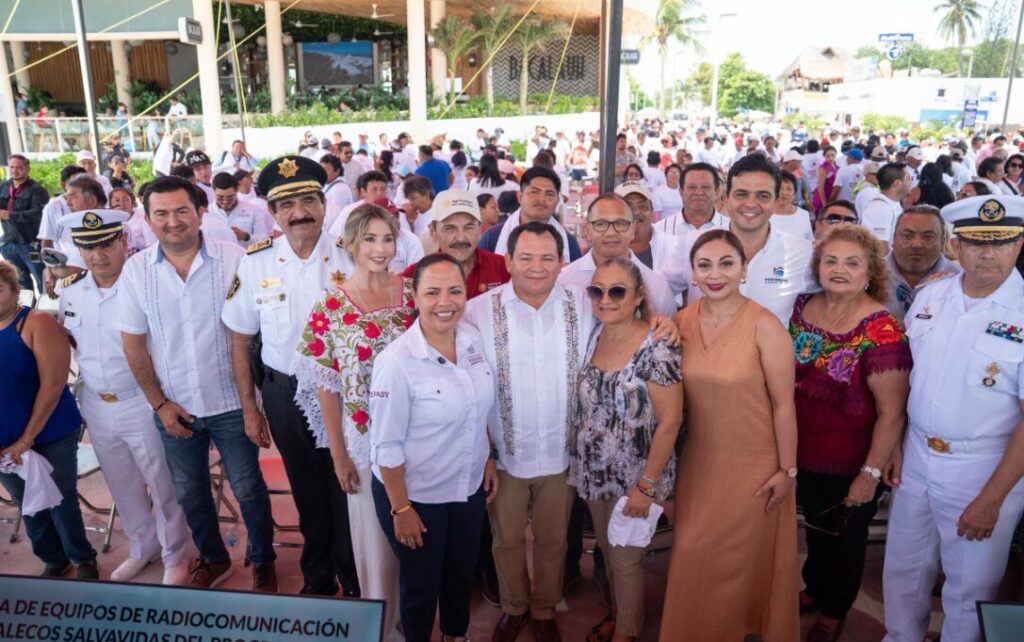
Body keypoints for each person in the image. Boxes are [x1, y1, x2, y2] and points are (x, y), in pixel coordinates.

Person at [116, 176, 277, 591]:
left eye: (182, 210)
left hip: (230, 401)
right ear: (147, 220)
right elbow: (133, 342)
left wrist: (251, 405)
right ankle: (214, 557)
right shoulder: (135, 271)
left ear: (200, 211)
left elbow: (254, 333)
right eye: (162, 214)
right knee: (190, 494)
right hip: (175, 406)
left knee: (249, 489)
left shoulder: (235, 258)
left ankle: (263, 559)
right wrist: (159, 404)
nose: (173, 221)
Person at [882, 195, 1024, 642]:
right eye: (976, 242)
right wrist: (895, 446)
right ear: (956, 246)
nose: (988, 253)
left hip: (982, 467)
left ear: (1019, 246)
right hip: (916, 457)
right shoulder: (930, 296)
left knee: (968, 589)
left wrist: (993, 497)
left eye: (1002, 243)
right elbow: (912, 380)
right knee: (903, 571)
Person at [221, 157, 363, 599]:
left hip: (345, 394)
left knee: (349, 487)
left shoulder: (351, 254)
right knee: (306, 490)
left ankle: (356, 580)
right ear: (273, 213)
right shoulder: (257, 262)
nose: (298, 212)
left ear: (323, 204)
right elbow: (241, 339)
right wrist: (250, 407)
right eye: (287, 205)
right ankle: (318, 581)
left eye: (307, 200)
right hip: (284, 393)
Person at [660, 229, 799, 641]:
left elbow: (784, 404)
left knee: (731, 568)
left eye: (726, 263)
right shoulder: (683, 319)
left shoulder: (764, 325)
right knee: (691, 556)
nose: (715, 273)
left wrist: (787, 470)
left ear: (743, 269)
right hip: (700, 462)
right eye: (704, 265)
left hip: (753, 466)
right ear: (693, 273)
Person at [789, 224, 912, 641]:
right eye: (831, 260)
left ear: (869, 271)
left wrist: (870, 474)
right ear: (818, 266)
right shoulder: (801, 307)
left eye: (852, 262)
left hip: (854, 459)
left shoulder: (881, 328)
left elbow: (892, 413)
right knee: (817, 528)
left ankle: (836, 607)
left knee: (847, 537)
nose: (839, 269)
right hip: (803, 450)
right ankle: (816, 588)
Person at [56, 209, 190, 585]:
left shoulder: (146, 285)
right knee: (122, 484)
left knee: (164, 485)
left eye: (105, 243)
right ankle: (142, 548)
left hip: (142, 401)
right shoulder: (69, 293)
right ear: (78, 250)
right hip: (96, 404)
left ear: (123, 242)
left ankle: (176, 554)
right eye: (88, 246)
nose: (98, 254)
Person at [368, 254, 498, 642]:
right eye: (433, 292)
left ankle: (455, 636)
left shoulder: (473, 342)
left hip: (466, 486)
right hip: (416, 495)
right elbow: (385, 445)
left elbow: (480, 408)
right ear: (415, 295)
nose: (446, 301)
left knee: (460, 572)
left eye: (455, 290)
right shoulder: (397, 362)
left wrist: (487, 456)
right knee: (421, 584)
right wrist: (401, 508)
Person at [570, 257, 682, 642]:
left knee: (625, 559)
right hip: (594, 474)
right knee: (607, 549)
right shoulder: (593, 335)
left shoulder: (657, 347)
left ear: (637, 297)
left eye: (617, 290)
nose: (605, 299)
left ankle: (627, 633)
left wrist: (646, 486)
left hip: (637, 476)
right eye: (596, 291)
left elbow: (670, 422)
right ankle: (620, 616)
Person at [0, 260, 98, 579]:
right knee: (26, 500)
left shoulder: (36, 322)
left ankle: (82, 557)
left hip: (49, 431)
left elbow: (54, 384)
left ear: (15, 291)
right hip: (3, 438)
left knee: (59, 497)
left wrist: (27, 438)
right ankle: (53, 559)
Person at [661, 154, 816, 324]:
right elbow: (658, 291)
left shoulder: (802, 253)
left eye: (763, 196)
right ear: (726, 199)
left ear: (775, 202)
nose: (750, 203)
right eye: (741, 194)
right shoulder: (693, 243)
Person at [559, 191, 676, 316]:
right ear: (587, 230)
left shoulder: (657, 288)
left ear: (633, 230)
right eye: (601, 224)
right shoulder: (563, 280)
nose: (611, 233)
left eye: (620, 224)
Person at [402, 189, 510, 297]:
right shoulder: (412, 277)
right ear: (433, 232)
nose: (460, 238)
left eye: (469, 227)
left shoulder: (504, 268)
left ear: (479, 230)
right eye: (450, 228)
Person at [479, 166, 583, 262]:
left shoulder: (569, 243)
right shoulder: (493, 237)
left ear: (557, 201)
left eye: (549, 194)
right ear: (520, 197)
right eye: (534, 192)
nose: (542, 199)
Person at [885, 205, 961, 322]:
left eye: (927, 237)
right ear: (893, 238)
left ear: (942, 241)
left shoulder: (959, 279)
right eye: (907, 236)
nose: (916, 244)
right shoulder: (870, 274)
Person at [0, 155, 50, 294]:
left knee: (42, 280)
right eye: (12, 167)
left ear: (28, 168)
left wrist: (11, 215)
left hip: (30, 243)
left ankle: (45, 312)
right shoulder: (3, 186)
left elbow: (38, 213)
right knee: (19, 282)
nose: (15, 170)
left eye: (19, 167)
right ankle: (26, 311)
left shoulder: (37, 190)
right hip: (9, 243)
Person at [653, 163, 728, 237]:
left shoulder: (731, 228)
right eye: (692, 187)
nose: (699, 192)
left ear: (717, 192)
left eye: (705, 187)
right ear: (681, 192)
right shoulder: (660, 230)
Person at [622, 181, 679, 272]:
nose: (636, 212)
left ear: (652, 212)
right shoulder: (603, 248)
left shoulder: (674, 247)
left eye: (642, 206)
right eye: (628, 206)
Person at [210, 172, 274, 246]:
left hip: (248, 256)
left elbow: (265, 241)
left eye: (230, 197)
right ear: (213, 191)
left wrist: (246, 237)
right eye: (220, 197)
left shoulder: (254, 210)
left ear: (237, 190)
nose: (225, 201)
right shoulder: (207, 212)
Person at [861, 163, 912, 250]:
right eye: (908, 179)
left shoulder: (892, 203)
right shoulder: (880, 208)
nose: (911, 182)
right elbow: (880, 247)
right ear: (897, 183)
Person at [773, 170, 814, 241]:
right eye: (780, 188)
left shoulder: (804, 215)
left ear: (794, 193)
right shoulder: (764, 215)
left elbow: (810, 241)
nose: (784, 192)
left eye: (789, 189)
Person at [814, 145, 839, 214]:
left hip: (831, 197)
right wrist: (824, 204)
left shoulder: (836, 166)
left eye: (833, 155)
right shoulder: (823, 168)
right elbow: (820, 187)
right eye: (828, 156)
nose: (831, 158)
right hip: (823, 199)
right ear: (824, 157)